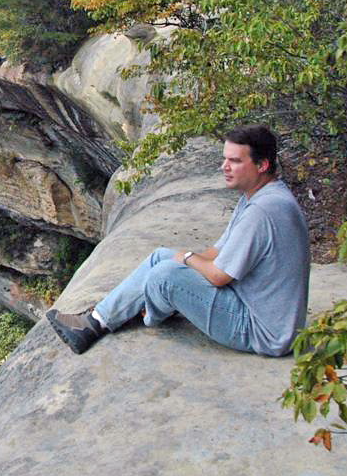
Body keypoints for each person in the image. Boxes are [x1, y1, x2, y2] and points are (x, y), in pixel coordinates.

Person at [46, 125, 310, 357]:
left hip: (262, 330)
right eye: (224, 159)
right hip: (252, 305)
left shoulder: (262, 212)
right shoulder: (259, 196)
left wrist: (185, 259)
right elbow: (217, 252)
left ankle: (147, 311)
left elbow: (219, 276)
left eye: (235, 161)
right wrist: (185, 261)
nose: (224, 167)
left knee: (165, 275)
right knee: (161, 256)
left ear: (262, 165)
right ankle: (97, 320)